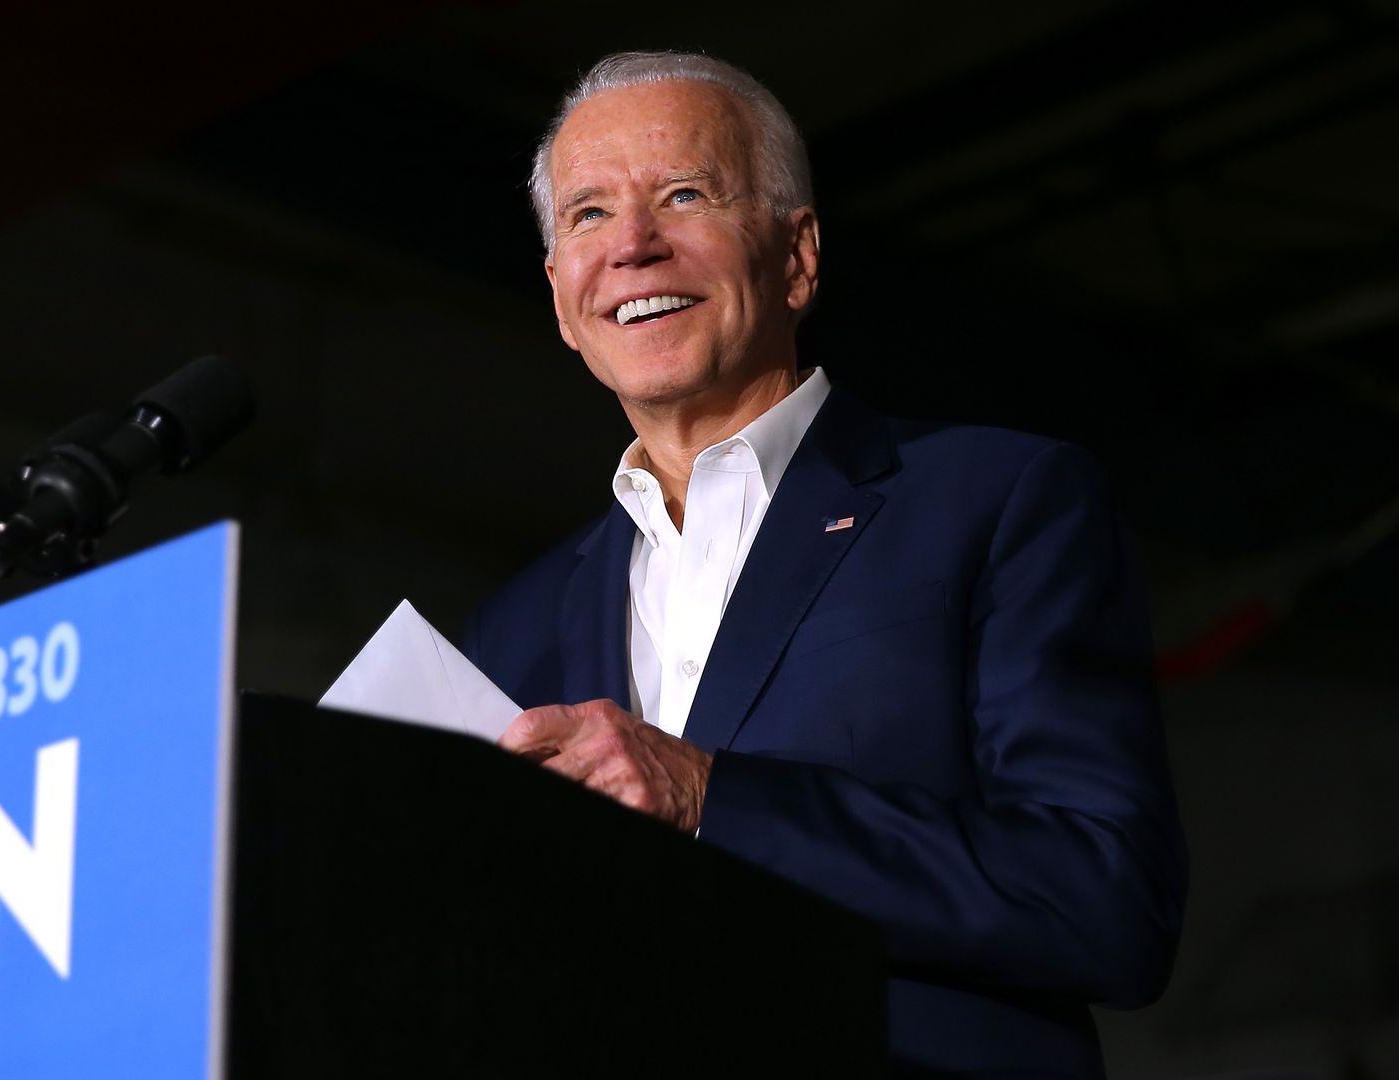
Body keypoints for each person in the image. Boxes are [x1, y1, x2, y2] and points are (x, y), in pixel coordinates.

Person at [461, 51, 1187, 1077]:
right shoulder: (515, 627)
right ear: (560, 297)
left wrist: (713, 799)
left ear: (796, 256)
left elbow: (1104, 899)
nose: (631, 245)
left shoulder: (996, 501)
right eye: (586, 214)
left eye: (683, 194)